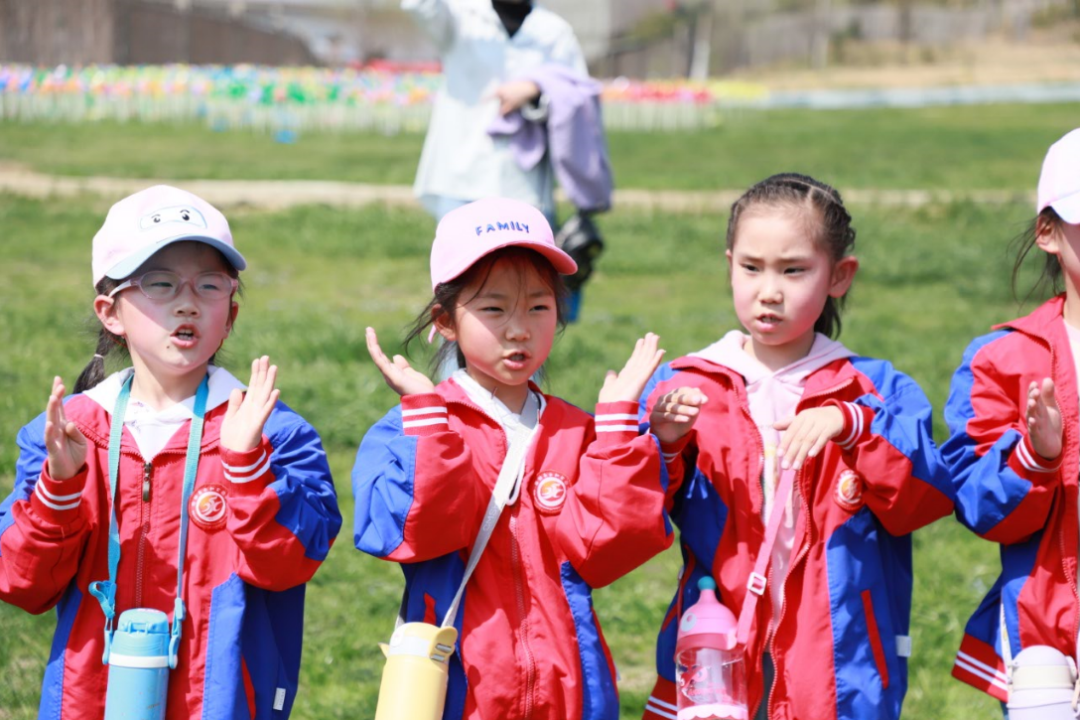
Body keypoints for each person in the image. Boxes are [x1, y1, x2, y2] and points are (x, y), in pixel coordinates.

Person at [0, 185, 342, 719]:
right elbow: (24, 584)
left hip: (219, 701)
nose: (187, 301)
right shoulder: (72, 434)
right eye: (160, 283)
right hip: (89, 699)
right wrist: (60, 491)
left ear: (229, 314)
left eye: (210, 285)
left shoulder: (274, 432)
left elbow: (288, 566)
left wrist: (247, 465)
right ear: (110, 312)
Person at [638, 173, 954, 720]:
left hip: (836, 652)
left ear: (839, 276)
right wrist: (661, 445)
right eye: (751, 267)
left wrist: (856, 426)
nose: (769, 291)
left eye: (794, 270)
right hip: (719, 640)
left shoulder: (874, 389)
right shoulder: (686, 384)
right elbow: (628, 518)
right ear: (729, 262)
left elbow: (925, 499)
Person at [353, 196, 673, 719]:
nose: (518, 328)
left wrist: (619, 426)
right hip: (459, 688)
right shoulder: (410, 427)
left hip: (570, 688)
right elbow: (413, 533)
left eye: (538, 307)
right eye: (494, 308)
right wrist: (430, 422)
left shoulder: (576, 429)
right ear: (446, 320)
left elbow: (607, 552)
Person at [944, 128, 1080, 709]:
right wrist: (1037, 458)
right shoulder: (1005, 358)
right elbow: (981, 508)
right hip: (1049, 634)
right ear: (1048, 232)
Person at [402, 0, 587, 222]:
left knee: (523, 257)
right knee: (464, 255)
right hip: (462, 176)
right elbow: (418, 5)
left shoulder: (554, 31)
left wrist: (536, 88)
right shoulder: (460, 14)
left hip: (527, 185)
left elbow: (579, 95)